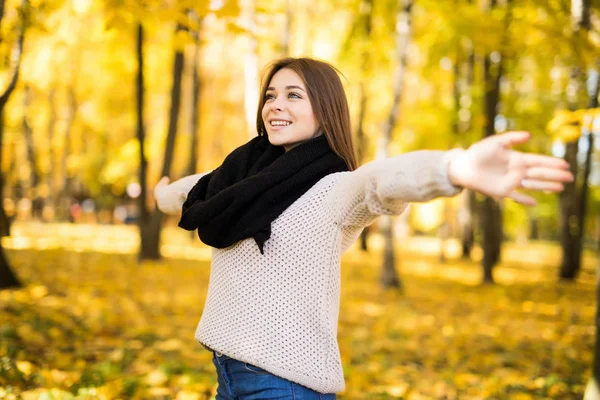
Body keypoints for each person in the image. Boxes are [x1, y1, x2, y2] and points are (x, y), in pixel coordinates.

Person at [153, 57, 573, 399]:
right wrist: (163, 196)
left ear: (326, 109)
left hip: (282, 385)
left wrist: (454, 168)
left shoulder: (333, 189)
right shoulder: (240, 178)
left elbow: (379, 182)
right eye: (271, 95)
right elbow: (198, 190)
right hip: (226, 375)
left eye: (293, 95)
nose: (275, 105)